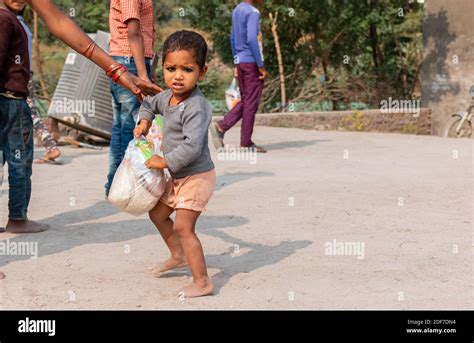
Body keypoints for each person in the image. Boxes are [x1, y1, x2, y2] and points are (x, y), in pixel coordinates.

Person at [134, 31, 216, 298]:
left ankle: (202, 281)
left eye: (187, 69)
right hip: (177, 176)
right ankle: (178, 254)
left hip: (197, 176)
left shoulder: (197, 106)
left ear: (201, 72)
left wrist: (165, 161)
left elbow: (192, 147)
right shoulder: (166, 97)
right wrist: (144, 121)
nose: (178, 76)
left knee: (183, 227)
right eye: (171, 69)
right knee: (157, 214)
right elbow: (148, 103)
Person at [0, 0, 49, 233]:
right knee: (19, 162)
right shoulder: (5, 19)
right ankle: (18, 218)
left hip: (7, 101)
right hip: (11, 103)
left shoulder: (13, 19)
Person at [105, 0, 156, 197]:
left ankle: (115, 184)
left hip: (128, 61)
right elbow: (133, 33)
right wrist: (143, 75)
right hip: (129, 62)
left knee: (121, 126)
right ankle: (122, 185)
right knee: (129, 126)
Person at [210, 0, 268, 153]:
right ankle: (246, 142)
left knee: (246, 100)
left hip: (241, 62)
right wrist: (260, 65)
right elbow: (252, 39)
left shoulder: (237, 10)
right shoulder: (253, 12)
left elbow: (232, 39)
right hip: (251, 62)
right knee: (251, 103)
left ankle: (221, 126)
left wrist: (237, 63)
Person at [16, 9, 62, 164]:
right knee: (31, 113)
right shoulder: (24, 27)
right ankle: (51, 147)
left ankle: (51, 147)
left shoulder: (10, 24)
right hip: (26, 74)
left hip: (18, 76)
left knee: (29, 114)